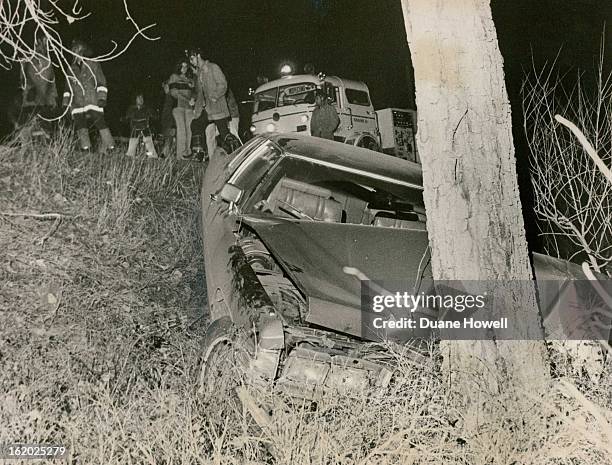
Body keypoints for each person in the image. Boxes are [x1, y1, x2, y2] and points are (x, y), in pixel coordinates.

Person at [62, 40, 115, 153]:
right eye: (74, 50)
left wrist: (102, 97)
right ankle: (86, 148)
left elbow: (101, 80)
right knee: (80, 123)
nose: (75, 52)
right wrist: (65, 103)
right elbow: (67, 88)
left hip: (92, 98)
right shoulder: (71, 69)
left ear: (83, 51)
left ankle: (111, 146)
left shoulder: (93, 64)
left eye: (78, 50)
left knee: (99, 121)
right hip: (77, 101)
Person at [189, 49, 231, 158]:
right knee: (196, 124)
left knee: (224, 132)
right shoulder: (199, 74)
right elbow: (200, 92)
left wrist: (215, 95)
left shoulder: (213, 67)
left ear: (198, 56)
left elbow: (223, 84)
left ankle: (235, 154)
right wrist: (195, 104)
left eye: (192, 58)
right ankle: (199, 153)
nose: (191, 62)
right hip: (207, 109)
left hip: (217, 107)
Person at [19, 37, 58, 141]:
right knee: (29, 124)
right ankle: (30, 143)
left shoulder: (47, 63)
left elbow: (51, 82)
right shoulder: (27, 62)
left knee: (44, 126)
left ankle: (44, 144)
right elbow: (23, 80)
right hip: (31, 100)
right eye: (39, 45)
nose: (41, 48)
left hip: (43, 101)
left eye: (44, 45)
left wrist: (53, 99)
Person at [168, 60, 195, 159]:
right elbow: (174, 93)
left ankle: (187, 153)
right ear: (178, 67)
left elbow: (195, 92)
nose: (184, 69)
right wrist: (188, 99)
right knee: (182, 129)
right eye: (182, 66)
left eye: (186, 66)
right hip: (178, 106)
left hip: (189, 108)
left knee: (189, 130)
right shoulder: (174, 77)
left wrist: (193, 99)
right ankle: (180, 155)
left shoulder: (190, 80)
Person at [124, 93, 158, 158]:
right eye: (139, 98)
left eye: (142, 98)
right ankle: (129, 158)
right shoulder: (131, 109)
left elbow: (155, 116)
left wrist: (153, 114)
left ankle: (152, 158)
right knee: (131, 148)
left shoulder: (147, 108)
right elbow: (126, 118)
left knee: (149, 146)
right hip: (135, 131)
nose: (141, 99)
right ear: (135, 99)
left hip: (145, 130)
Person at [160, 80, 176, 158]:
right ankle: (166, 154)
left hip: (170, 123)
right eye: (165, 87)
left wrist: (173, 125)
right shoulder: (165, 98)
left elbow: (172, 112)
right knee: (167, 139)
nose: (165, 88)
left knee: (169, 139)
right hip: (165, 123)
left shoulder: (172, 98)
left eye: (167, 87)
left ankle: (165, 154)